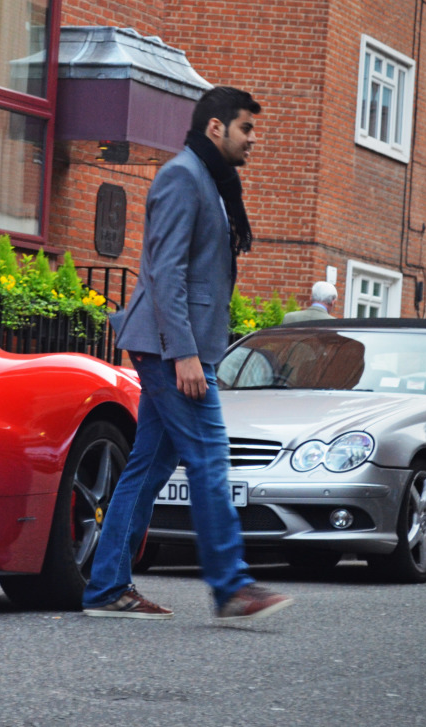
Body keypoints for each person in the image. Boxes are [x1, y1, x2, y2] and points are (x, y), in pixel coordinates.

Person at [81, 86, 293, 623]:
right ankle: (231, 586)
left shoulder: (213, 181)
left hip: (178, 347)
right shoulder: (182, 176)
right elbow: (164, 270)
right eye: (246, 128)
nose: (253, 140)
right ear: (216, 127)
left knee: (148, 469)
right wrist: (185, 355)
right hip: (172, 349)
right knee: (209, 458)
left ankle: (106, 585)